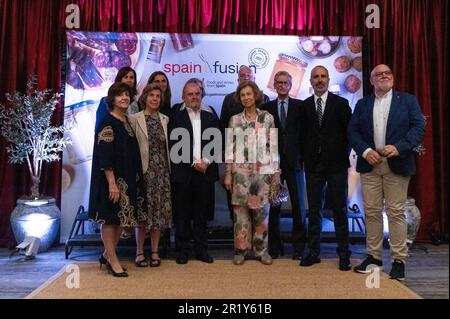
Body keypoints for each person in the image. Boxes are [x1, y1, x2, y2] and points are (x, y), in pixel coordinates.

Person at [348, 64, 425, 281]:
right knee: (371, 212)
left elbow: (418, 127)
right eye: (378, 74)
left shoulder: (407, 100)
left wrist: (399, 147)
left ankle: (399, 261)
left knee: (396, 212)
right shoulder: (363, 104)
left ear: (392, 77)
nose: (384, 76)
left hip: (397, 163)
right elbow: (352, 131)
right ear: (371, 80)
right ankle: (374, 258)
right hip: (370, 165)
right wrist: (365, 151)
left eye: (387, 73)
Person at [88, 82, 146, 277]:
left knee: (122, 218)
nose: (124, 98)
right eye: (120, 95)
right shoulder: (108, 122)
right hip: (111, 181)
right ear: (111, 99)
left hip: (128, 180)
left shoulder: (126, 121)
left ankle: (107, 254)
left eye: (127, 95)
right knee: (111, 220)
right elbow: (105, 156)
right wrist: (112, 183)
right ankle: (113, 260)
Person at [299, 65, 352, 271]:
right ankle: (313, 252)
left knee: (339, 210)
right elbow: (301, 136)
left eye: (323, 76)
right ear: (310, 81)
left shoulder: (341, 103)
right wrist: (304, 159)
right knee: (314, 210)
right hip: (313, 166)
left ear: (328, 79)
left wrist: (342, 155)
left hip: (337, 165)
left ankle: (344, 254)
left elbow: (349, 133)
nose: (319, 80)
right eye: (315, 77)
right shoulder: (304, 107)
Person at [224, 80, 280, 266]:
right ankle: (241, 251)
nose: (246, 97)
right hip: (240, 174)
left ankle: (261, 251)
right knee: (241, 215)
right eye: (242, 95)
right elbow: (229, 149)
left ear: (255, 95)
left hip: (262, 174)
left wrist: (276, 172)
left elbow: (273, 148)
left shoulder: (267, 118)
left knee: (261, 214)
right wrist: (228, 173)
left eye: (249, 94)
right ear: (239, 99)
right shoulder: (235, 120)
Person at [169, 79, 219, 264]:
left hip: (205, 173)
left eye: (197, 93)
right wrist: (193, 162)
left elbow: (216, 141)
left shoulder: (211, 117)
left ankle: (201, 250)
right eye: (190, 94)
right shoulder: (176, 117)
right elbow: (174, 143)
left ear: (201, 95)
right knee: (182, 214)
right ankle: (182, 250)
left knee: (201, 214)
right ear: (183, 97)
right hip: (183, 173)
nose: (194, 97)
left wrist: (205, 161)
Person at [260, 71, 306, 260]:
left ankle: (298, 247)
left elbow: (306, 135)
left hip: (295, 162)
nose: (281, 85)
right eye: (278, 82)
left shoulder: (300, 106)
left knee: (298, 207)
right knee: (274, 206)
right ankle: (275, 246)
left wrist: (303, 159)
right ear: (274, 84)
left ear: (290, 84)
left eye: (285, 82)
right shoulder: (266, 107)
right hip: (272, 164)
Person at [129, 84, 172, 268]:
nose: (155, 99)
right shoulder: (134, 119)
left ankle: (154, 251)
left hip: (162, 173)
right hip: (143, 172)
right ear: (144, 98)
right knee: (143, 214)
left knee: (158, 214)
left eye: (158, 96)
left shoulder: (165, 119)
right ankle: (139, 251)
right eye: (151, 95)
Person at [219, 66, 270, 221]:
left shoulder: (265, 100)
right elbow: (223, 129)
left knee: (259, 205)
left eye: (249, 75)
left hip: (260, 162)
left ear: (254, 79)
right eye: (242, 75)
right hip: (236, 161)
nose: (246, 77)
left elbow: (270, 139)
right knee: (237, 203)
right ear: (238, 79)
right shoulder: (229, 99)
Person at [95, 66, 139, 134]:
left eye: (131, 77)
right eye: (125, 77)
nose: (129, 80)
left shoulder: (135, 103)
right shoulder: (106, 101)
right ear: (119, 79)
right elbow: (100, 127)